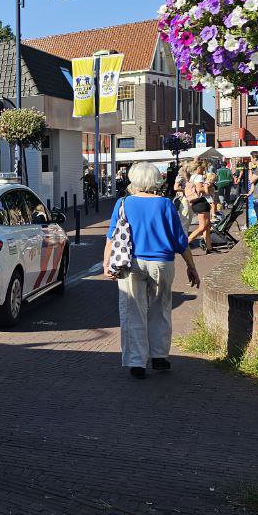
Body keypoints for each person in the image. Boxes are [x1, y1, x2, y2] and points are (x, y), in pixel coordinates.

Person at [103, 161, 200, 379]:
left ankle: (136, 362)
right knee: (161, 308)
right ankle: (159, 356)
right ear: (155, 179)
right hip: (162, 263)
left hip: (131, 262)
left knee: (132, 311)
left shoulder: (123, 203)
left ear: (134, 179)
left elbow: (112, 236)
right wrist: (191, 266)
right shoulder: (165, 204)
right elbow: (180, 240)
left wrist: (106, 262)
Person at [184, 159, 214, 253]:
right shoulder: (199, 177)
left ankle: (209, 247)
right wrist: (208, 186)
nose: (204, 169)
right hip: (201, 202)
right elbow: (199, 189)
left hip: (195, 202)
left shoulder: (192, 177)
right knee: (203, 226)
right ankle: (185, 243)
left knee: (207, 225)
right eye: (203, 167)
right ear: (199, 168)